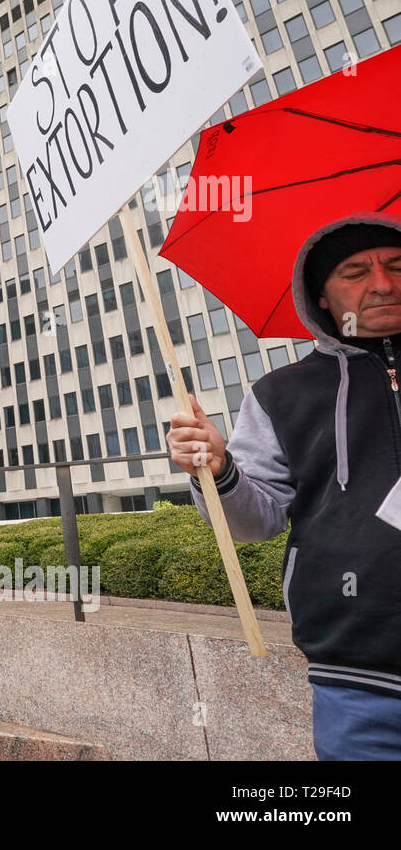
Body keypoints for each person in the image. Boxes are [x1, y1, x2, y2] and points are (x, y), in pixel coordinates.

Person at [167, 218, 401, 760]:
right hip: (357, 682)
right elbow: (253, 523)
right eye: (355, 271)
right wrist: (218, 468)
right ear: (322, 295)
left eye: (396, 265)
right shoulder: (281, 392)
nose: (382, 284)